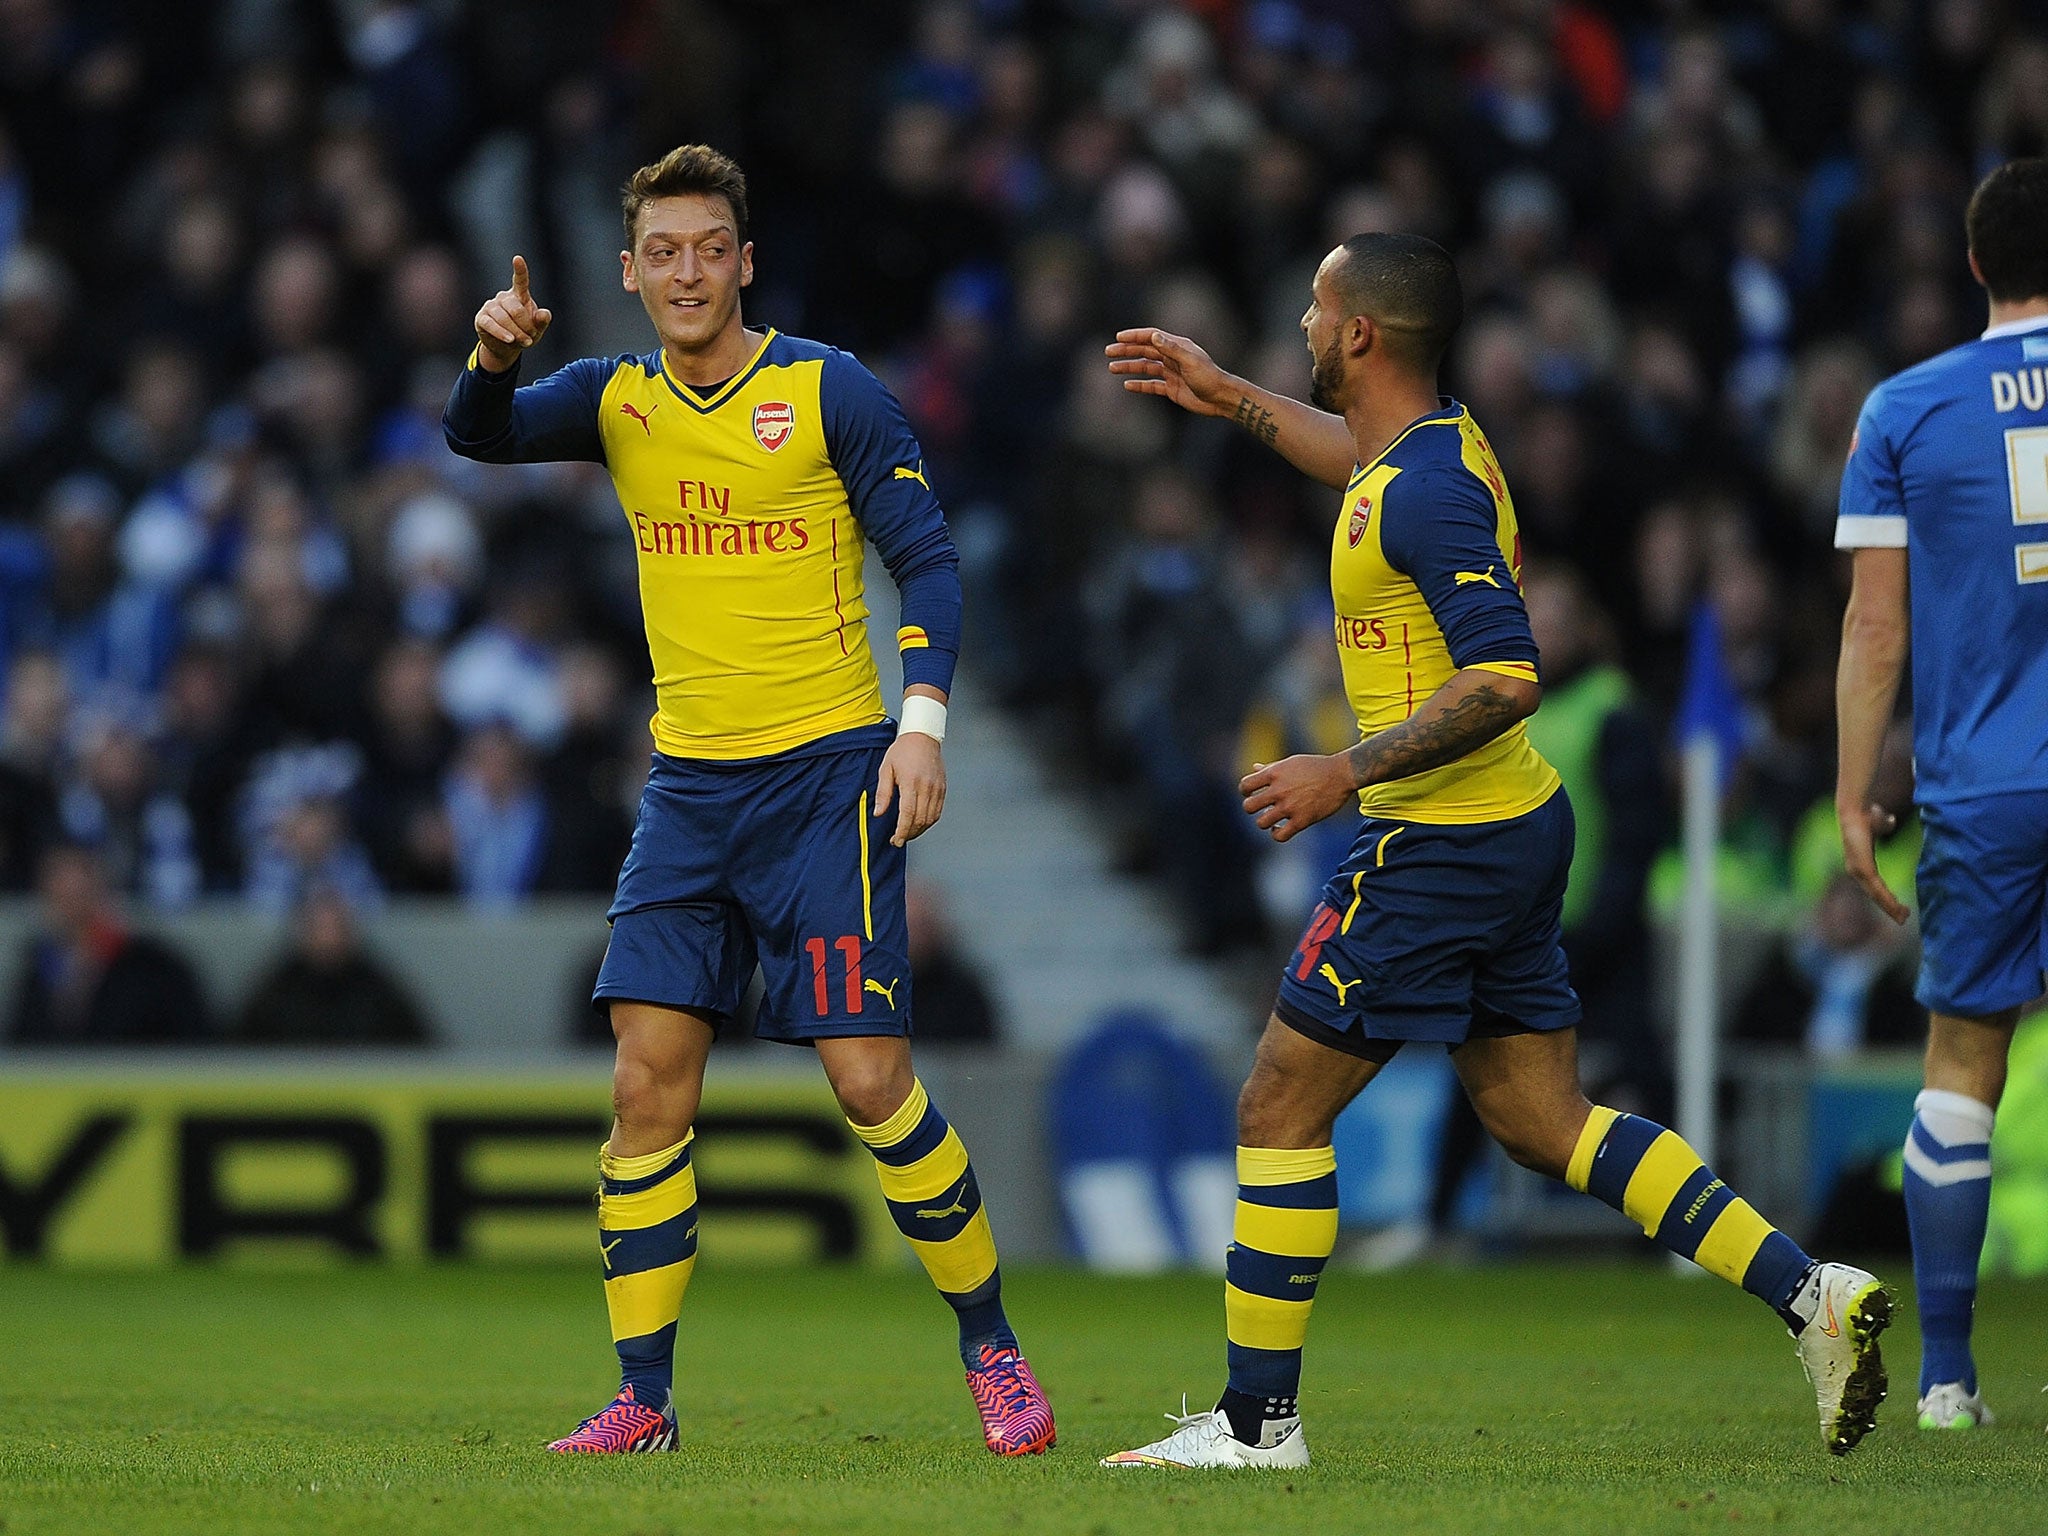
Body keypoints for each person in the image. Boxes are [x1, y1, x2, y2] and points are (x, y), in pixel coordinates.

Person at [1097, 232, 1888, 1470]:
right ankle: (1811, 1295)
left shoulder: (1428, 488)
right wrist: (1226, 394)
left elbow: (1508, 673)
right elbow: (1352, 466)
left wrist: (1339, 770)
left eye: (1314, 309)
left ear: (1358, 334)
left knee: (1275, 1103)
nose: (1301, 326)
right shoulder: (1419, 448)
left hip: (1440, 845)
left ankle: (1257, 1428)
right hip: (1508, 829)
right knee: (1539, 1118)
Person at [443, 144, 1052, 1457]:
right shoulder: (614, 399)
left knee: (869, 1079)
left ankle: (992, 1349)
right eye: (660, 252)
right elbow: (476, 436)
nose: (684, 272)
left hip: (828, 776)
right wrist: (490, 357)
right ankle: (643, 1400)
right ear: (628, 270)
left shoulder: (828, 390)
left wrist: (922, 729)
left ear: (744, 262)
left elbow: (931, 564)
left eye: (707, 248)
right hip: (688, 792)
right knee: (646, 1084)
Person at [1833, 157, 2048, 1433]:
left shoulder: (1903, 409)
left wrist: (1856, 793)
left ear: (1972, 264)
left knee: (1961, 1062)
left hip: (1984, 783)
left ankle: (1946, 1379)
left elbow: (1873, 631)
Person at [5, 843, 211, 1045]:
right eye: (59, 898)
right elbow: (24, 1048)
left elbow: (195, 1048)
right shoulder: (37, 972)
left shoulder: (156, 970)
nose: (70, 912)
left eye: (79, 897)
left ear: (106, 895)